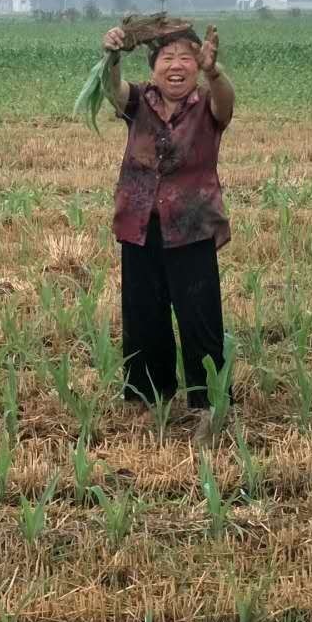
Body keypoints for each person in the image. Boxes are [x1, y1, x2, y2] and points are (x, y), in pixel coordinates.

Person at [99, 22, 235, 438]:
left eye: (186, 58)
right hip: (140, 223)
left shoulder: (209, 104)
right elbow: (112, 89)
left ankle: (208, 404)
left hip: (191, 225)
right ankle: (147, 399)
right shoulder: (139, 100)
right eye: (166, 58)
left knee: (199, 316)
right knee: (143, 315)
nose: (176, 66)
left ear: (199, 65)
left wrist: (216, 73)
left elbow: (227, 103)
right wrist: (112, 56)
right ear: (154, 66)